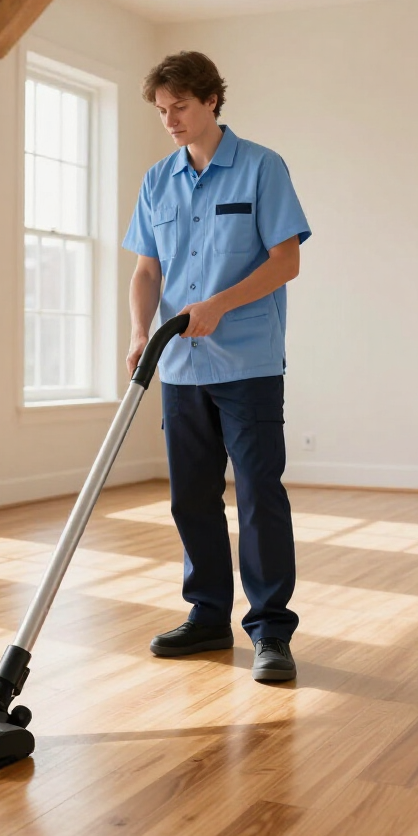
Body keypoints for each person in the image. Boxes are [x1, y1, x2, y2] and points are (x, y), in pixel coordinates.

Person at [123, 51, 311, 683]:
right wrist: (139, 332)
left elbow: (286, 261)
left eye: (179, 106)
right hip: (179, 364)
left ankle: (269, 632)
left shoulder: (261, 167)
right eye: (161, 111)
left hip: (249, 361)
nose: (170, 119)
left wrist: (218, 305)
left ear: (210, 101)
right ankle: (206, 618)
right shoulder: (157, 181)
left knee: (259, 494)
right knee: (191, 498)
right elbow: (147, 270)